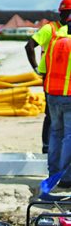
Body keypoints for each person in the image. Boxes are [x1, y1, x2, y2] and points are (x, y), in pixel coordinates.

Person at [25, 0, 71, 154]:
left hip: (63, 79)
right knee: (51, 116)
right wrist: (36, 68)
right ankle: (47, 148)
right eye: (67, 13)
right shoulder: (50, 29)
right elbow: (29, 46)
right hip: (52, 78)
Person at [42, 14, 71, 188]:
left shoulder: (54, 43)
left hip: (52, 94)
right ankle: (66, 178)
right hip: (69, 95)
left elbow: (43, 69)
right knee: (69, 136)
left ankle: (53, 174)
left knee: (55, 133)